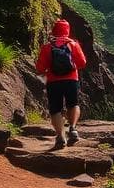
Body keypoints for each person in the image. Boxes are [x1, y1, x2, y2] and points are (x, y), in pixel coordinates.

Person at [35, 19, 87, 150]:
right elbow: (82, 62)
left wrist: (48, 70)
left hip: (53, 81)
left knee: (56, 109)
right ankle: (73, 129)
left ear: (54, 30)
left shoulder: (48, 47)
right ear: (67, 31)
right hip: (71, 80)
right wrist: (72, 66)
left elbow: (40, 68)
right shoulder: (73, 44)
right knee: (73, 104)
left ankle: (60, 136)